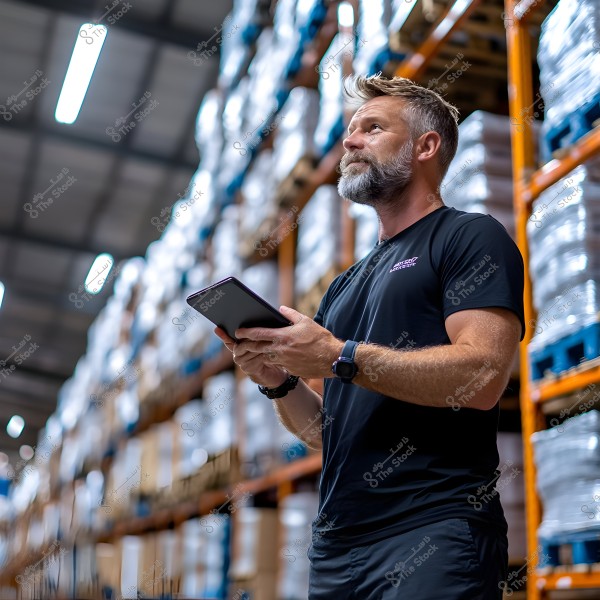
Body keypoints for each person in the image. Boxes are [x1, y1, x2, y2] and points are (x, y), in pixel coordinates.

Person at [215, 74, 525, 600]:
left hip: (433, 531)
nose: (349, 142)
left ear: (426, 146)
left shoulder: (469, 237)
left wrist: (338, 355)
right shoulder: (344, 285)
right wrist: (276, 381)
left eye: (372, 128)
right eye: (350, 131)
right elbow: (326, 436)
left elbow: (482, 377)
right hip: (338, 549)